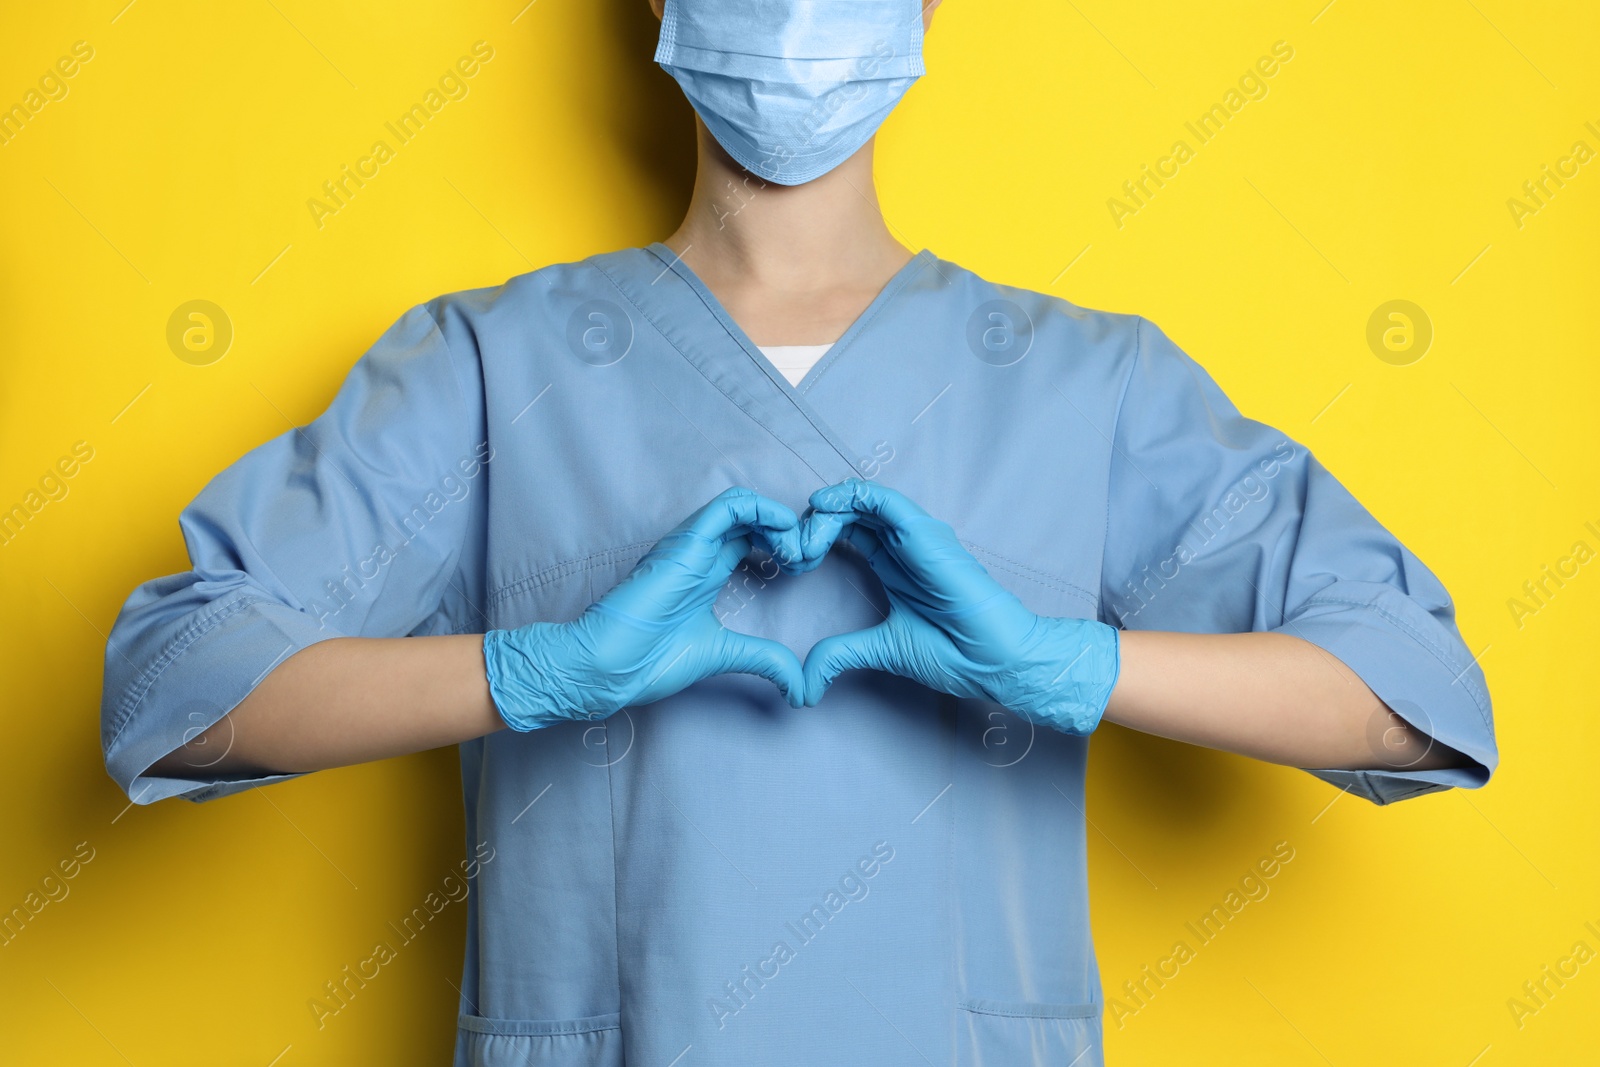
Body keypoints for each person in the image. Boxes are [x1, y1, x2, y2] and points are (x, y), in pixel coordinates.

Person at [100, 1, 1498, 1064]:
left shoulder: (1087, 384)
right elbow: (172, 690)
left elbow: (1413, 700)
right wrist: (527, 670)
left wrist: (1079, 669)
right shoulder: (488, 363)